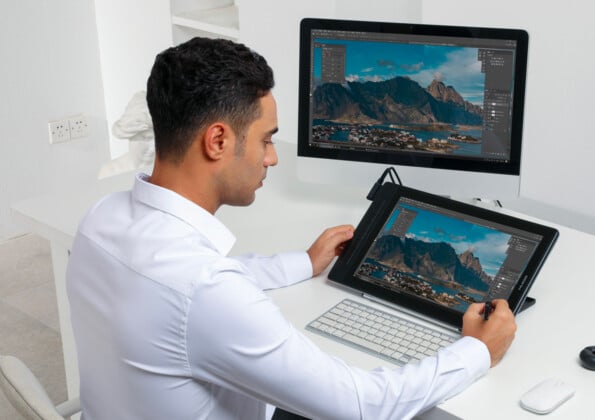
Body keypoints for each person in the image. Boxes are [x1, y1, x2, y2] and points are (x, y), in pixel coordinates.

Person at [65, 37, 517, 420]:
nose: (272, 157)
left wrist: (302, 263)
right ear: (218, 140)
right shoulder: (204, 291)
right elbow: (358, 406)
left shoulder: (100, 220)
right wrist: (478, 351)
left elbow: (191, 283)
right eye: (265, 139)